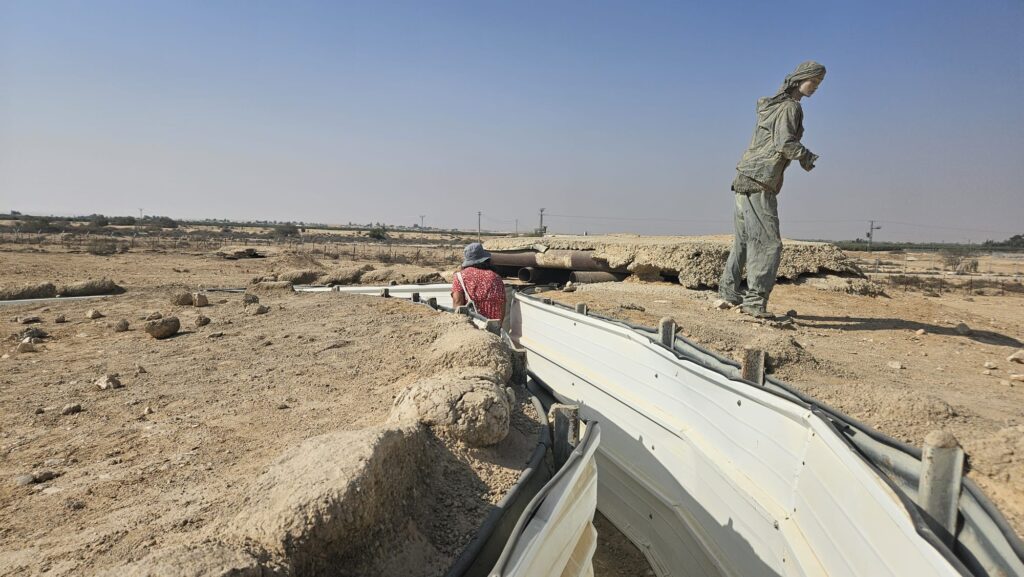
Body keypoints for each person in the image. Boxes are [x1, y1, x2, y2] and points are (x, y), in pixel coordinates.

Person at [719, 60, 826, 319]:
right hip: (760, 180)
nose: (815, 87)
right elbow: (784, 143)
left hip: (744, 175)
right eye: (814, 81)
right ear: (800, 79)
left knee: (744, 241)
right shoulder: (790, 108)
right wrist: (806, 156)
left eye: (819, 83)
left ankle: (728, 293)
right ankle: (755, 303)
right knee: (769, 244)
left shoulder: (772, 106)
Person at [452, 242, 506, 322]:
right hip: (493, 327)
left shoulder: (460, 277)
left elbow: (457, 302)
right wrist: (499, 325)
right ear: (485, 259)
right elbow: (503, 304)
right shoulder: (496, 277)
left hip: (472, 327)